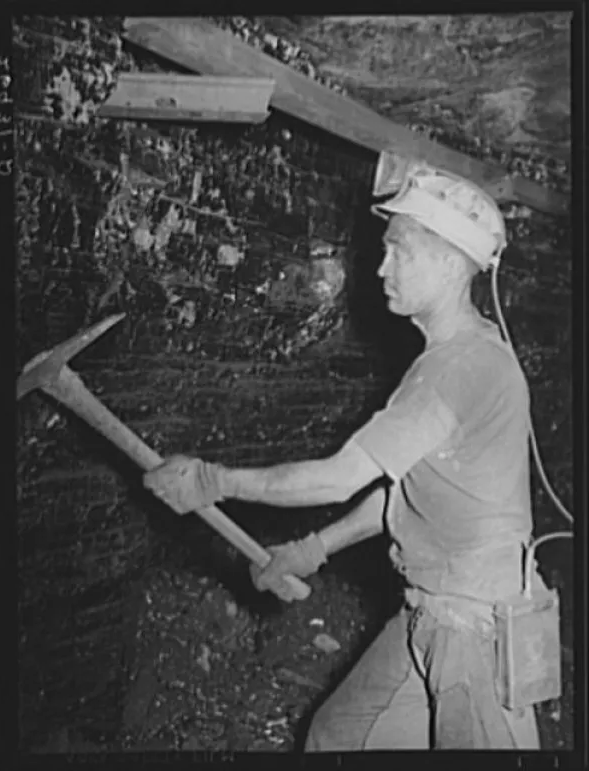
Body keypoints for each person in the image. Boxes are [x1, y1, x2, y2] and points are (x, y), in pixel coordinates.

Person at [143, 163, 544, 750]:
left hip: (475, 628)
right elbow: (404, 495)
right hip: (431, 612)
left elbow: (338, 479)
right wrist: (314, 548)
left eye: (400, 251)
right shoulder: (458, 354)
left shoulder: (461, 367)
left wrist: (212, 480)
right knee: (337, 738)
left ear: (449, 263)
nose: (382, 267)